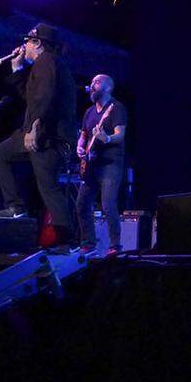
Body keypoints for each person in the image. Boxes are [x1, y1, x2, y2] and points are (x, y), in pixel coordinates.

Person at [0, 23, 79, 252]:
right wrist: (17, 69)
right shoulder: (43, 64)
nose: (23, 45)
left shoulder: (47, 61)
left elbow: (45, 96)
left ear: (37, 43)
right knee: (1, 153)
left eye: (27, 41)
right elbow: (31, 96)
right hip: (41, 131)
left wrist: (34, 126)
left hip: (49, 135)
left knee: (48, 186)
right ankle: (15, 208)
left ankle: (67, 240)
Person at [74, 74, 127, 256]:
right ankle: (88, 243)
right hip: (92, 164)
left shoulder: (116, 108)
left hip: (111, 164)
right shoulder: (89, 112)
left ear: (108, 87)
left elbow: (120, 134)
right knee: (82, 204)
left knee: (108, 204)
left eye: (96, 82)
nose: (92, 85)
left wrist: (108, 138)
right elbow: (83, 134)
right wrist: (80, 146)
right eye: (91, 82)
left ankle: (115, 246)